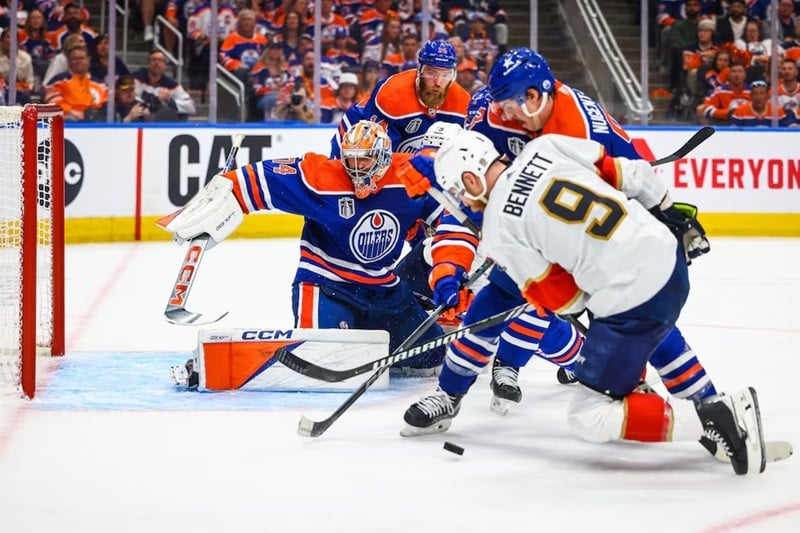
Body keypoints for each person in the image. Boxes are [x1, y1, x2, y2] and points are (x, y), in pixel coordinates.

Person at [399, 128, 767, 476]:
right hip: (655, 251)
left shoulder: (498, 221)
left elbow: (568, 301)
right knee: (491, 307)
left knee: (602, 389)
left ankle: (712, 415)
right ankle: (449, 394)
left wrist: (541, 293)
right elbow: (625, 172)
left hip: (605, 275)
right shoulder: (541, 146)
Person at [399, 48, 712, 435]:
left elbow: (625, 181)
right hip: (538, 230)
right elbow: (472, 189)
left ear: (533, 97)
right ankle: (449, 396)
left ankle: (693, 403)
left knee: (636, 316)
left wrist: (660, 219)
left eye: (506, 106)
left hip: (592, 245)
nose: (500, 116)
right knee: (489, 308)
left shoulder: (577, 126)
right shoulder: (499, 118)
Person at [160, 120, 447, 375]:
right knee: (323, 361)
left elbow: (448, 221)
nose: (356, 169)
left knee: (432, 357)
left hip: (384, 288)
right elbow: (252, 181)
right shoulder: (320, 177)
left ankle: (379, 344)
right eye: (351, 160)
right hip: (327, 286)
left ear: (384, 158)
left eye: (365, 161)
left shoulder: (410, 176)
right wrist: (219, 200)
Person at [331, 39, 471, 156]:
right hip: (357, 130)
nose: (438, 82)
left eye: (445, 75)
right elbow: (378, 159)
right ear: (419, 71)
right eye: (431, 73)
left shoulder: (461, 102)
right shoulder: (393, 95)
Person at [132, 49, 196, 121]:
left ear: (165, 65)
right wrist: (157, 100)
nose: (157, 63)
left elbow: (191, 107)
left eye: (160, 60)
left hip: (160, 119)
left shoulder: (171, 84)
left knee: (180, 114)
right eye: (153, 60)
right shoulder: (137, 78)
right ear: (148, 63)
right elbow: (132, 100)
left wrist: (168, 102)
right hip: (140, 120)